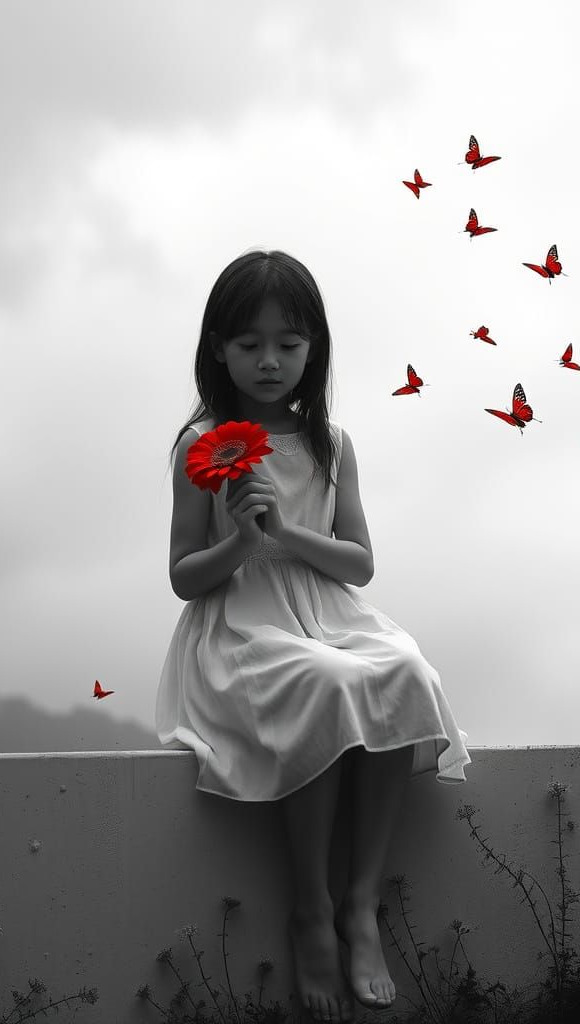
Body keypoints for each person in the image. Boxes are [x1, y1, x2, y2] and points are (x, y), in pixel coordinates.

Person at [157, 249, 471, 1023]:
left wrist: (288, 532)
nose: (269, 361)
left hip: (329, 610)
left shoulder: (331, 442)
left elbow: (360, 564)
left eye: (289, 345)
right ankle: (309, 904)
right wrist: (238, 537)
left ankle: (359, 905)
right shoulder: (202, 448)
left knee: (401, 667)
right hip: (242, 626)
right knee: (325, 682)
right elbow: (184, 576)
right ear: (218, 350)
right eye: (249, 344)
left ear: (313, 351)